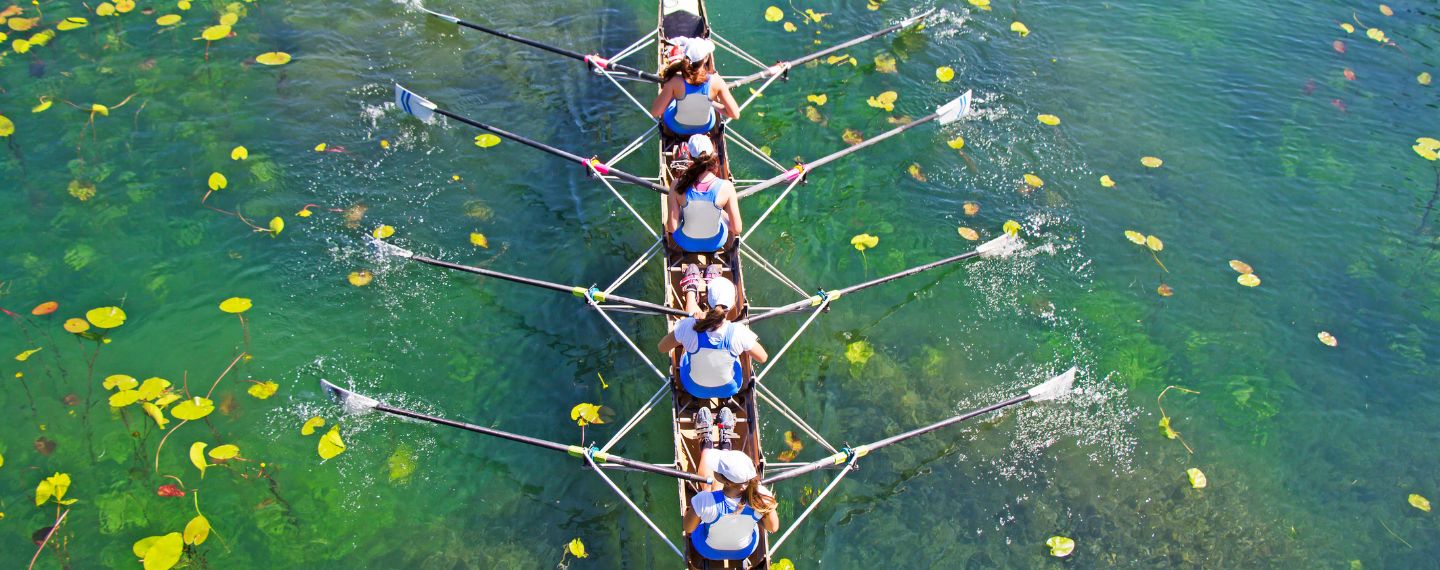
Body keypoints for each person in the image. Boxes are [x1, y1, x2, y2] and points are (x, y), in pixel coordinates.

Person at [657, 268, 767, 399]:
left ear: (707, 299)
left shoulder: (690, 325)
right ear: (732, 305)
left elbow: (662, 348)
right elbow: (763, 358)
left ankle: (691, 292)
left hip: (694, 388)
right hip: (730, 389)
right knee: (738, 350)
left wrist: (692, 320)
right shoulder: (738, 331)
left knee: (688, 342)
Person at [683, 444, 779, 561]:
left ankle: (707, 444)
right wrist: (753, 517)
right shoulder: (763, 497)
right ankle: (726, 445)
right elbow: (773, 528)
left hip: (707, 550)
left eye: (717, 469)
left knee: (710, 486)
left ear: (727, 483)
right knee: (714, 494)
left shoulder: (703, 500)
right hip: (744, 551)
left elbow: (688, 528)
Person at [666, 133, 741, 253]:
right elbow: (737, 229)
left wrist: (682, 212)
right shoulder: (727, 187)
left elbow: (671, 228)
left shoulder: (676, 185)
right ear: (713, 155)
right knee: (719, 210)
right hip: (715, 243)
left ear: (689, 156)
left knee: (683, 210)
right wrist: (720, 213)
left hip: (686, 243)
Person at [650, 37, 740, 136]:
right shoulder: (716, 81)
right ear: (706, 58)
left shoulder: (674, 81)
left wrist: (671, 94)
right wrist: (711, 103)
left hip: (677, 127)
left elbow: (655, 112)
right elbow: (735, 114)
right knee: (706, 100)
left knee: (671, 98)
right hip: (704, 127)